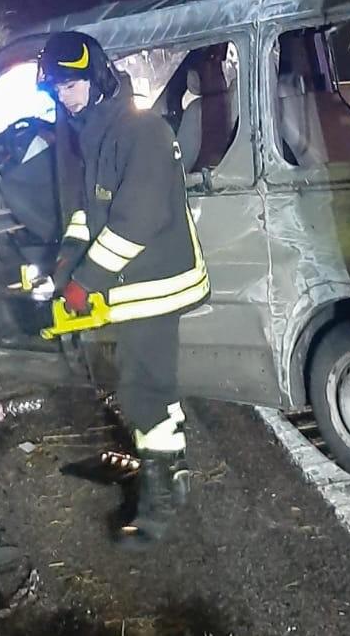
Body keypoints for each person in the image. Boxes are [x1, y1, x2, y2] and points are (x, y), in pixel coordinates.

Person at [36, 31, 209, 549]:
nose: (65, 97)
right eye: (57, 90)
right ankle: (173, 473)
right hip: (136, 282)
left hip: (157, 281)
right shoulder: (96, 132)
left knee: (140, 391)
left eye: (72, 85)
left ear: (98, 77)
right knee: (157, 384)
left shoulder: (140, 129)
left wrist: (84, 282)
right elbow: (93, 209)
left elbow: (136, 220)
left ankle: (156, 508)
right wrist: (69, 258)